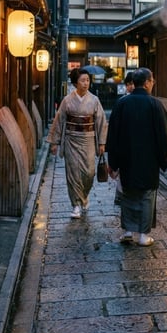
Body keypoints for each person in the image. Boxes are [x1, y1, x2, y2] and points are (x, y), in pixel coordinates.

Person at [106, 67, 167, 246]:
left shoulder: (122, 103)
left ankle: (127, 231)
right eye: (152, 80)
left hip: (127, 157)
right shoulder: (154, 104)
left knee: (128, 192)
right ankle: (143, 235)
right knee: (147, 194)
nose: (153, 83)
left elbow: (113, 134)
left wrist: (113, 162)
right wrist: (163, 159)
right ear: (147, 82)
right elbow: (162, 136)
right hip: (149, 159)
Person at [48, 67, 107, 219]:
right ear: (75, 83)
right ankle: (76, 205)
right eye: (82, 80)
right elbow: (59, 120)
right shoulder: (67, 100)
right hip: (71, 139)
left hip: (88, 138)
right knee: (73, 173)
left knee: (89, 173)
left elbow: (101, 121)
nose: (86, 83)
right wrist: (54, 142)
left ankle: (84, 197)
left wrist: (102, 143)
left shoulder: (94, 100)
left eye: (87, 80)